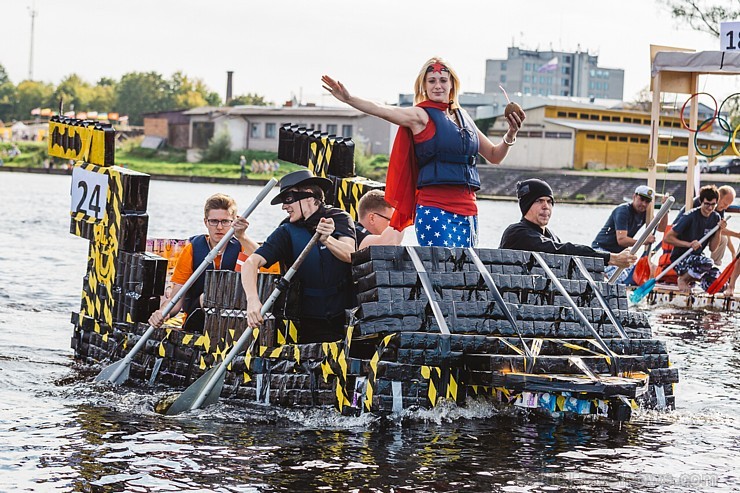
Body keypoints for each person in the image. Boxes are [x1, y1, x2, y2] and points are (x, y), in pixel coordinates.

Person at [322, 56, 524, 247]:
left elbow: (495, 155)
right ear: (424, 86)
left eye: (443, 80)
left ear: (452, 84)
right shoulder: (420, 115)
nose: (438, 85)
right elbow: (383, 110)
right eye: (432, 81)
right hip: (435, 209)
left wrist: (511, 133)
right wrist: (349, 98)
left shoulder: (465, 119)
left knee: (463, 274)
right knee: (442, 271)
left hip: (468, 211)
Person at [241, 169, 356, 343]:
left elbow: (350, 255)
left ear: (308, 195)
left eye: (288, 199)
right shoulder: (286, 230)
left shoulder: (339, 218)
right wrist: (252, 300)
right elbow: (251, 263)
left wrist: (327, 240)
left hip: (344, 316)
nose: (284, 207)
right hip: (305, 320)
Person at [148, 193, 257, 329]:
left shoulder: (242, 246)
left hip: (233, 317)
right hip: (198, 316)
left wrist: (243, 237)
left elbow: (264, 258)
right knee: (206, 297)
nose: (219, 227)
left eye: (225, 221)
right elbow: (175, 300)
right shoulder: (192, 250)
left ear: (234, 221)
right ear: (206, 222)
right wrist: (162, 313)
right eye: (214, 221)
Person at [499, 178, 636, 270]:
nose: (546, 206)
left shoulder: (550, 235)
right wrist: (611, 258)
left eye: (549, 201)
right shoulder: (516, 232)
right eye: (539, 201)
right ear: (526, 205)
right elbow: (562, 251)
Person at [591, 185, 668, 282]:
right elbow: (622, 240)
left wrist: (665, 209)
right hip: (602, 250)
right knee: (622, 279)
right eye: (641, 199)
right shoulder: (623, 211)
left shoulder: (646, 213)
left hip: (619, 253)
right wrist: (644, 241)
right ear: (634, 197)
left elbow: (662, 228)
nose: (643, 204)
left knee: (641, 275)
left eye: (647, 201)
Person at [663, 185, 727, 293]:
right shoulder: (689, 216)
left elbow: (713, 248)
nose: (710, 208)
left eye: (713, 205)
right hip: (680, 259)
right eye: (707, 204)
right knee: (708, 262)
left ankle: (697, 284)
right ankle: (683, 279)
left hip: (697, 260)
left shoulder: (715, 217)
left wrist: (719, 230)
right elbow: (668, 238)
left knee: (720, 284)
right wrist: (689, 244)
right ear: (701, 202)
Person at [672, 185, 737, 264]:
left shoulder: (718, 211)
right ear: (718, 197)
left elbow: (720, 228)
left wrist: (733, 252)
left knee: (723, 239)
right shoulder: (700, 205)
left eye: (728, 205)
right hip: (686, 233)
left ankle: (715, 264)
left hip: (701, 233)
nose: (725, 207)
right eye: (725, 203)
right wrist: (737, 235)